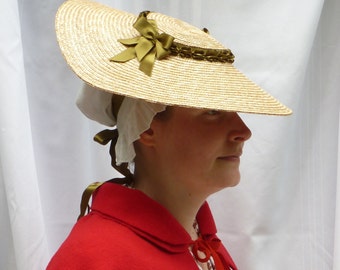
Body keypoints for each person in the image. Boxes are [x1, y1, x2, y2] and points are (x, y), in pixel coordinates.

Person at [48, 0, 292, 269]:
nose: (243, 132)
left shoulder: (198, 239)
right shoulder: (96, 256)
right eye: (212, 111)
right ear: (147, 127)